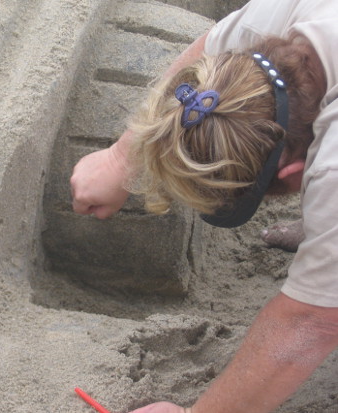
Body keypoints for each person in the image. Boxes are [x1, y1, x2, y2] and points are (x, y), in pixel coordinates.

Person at [70, 0, 338, 412]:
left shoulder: (332, 166)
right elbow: (204, 58)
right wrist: (122, 159)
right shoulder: (282, 16)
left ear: (293, 172)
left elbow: (312, 322)